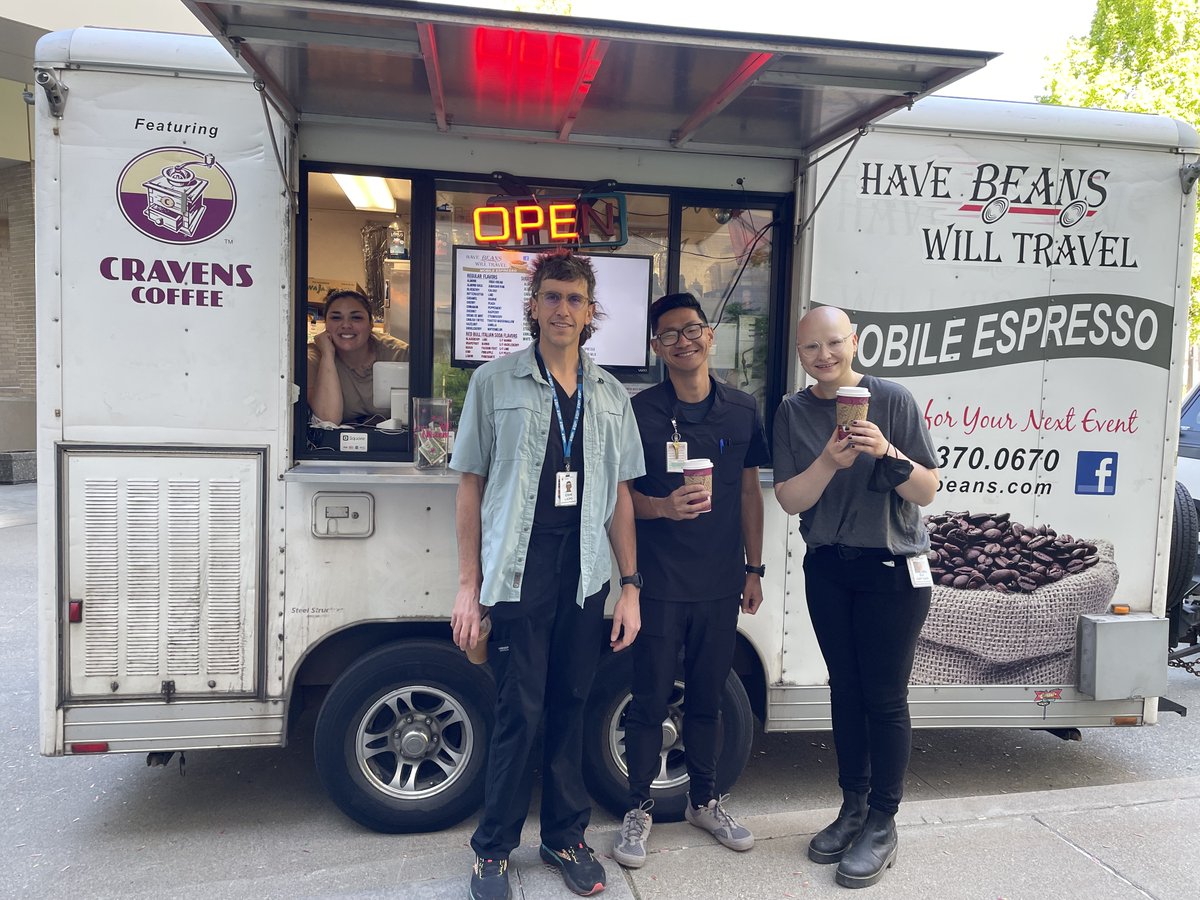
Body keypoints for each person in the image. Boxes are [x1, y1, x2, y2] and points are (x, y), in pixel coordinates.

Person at [450, 251, 645, 900]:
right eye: (552, 297)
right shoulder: (493, 384)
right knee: (518, 711)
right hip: (519, 572)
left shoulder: (613, 395)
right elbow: (470, 489)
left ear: (592, 313)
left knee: (569, 707)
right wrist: (467, 587)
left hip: (585, 577)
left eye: (576, 299)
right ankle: (492, 850)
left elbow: (620, 497)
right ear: (532, 305)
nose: (563, 309)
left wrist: (630, 587)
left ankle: (565, 836)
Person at [772, 306, 939, 890]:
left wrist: (886, 452)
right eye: (811, 348)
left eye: (834, 343)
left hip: (891, 571)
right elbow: (791, 501)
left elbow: (928, 489)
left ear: (856, 342)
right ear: (800, 354)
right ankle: (852, 807)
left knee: (885, 699)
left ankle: (883, 821)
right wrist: (828, 460)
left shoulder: (892, 399)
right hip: (829, 569)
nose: (824, 356)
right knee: (845, 691)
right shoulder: (793, 412)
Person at [611, 292, 769, 871]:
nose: (684, 340)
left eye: (693, 329)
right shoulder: (639, 410)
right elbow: (622, 496)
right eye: (670, 333)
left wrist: (754, 568)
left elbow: (751, 491)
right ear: (656, 346)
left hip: (720, 581)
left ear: (710, 335)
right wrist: (663, 509)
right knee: (648, 700)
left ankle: (704, 800)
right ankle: (639, 808)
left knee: (707, 699)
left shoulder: (742, 409)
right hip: (656, 582)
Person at [306, 288, 408, 425]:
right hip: (335, 444)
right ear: (325, 324)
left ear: (370, 324)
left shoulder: (400, 354)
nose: (346, 325)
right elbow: (328, 420)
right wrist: (327, 355)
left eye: (356, 317)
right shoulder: (313, 357)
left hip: (393, 443)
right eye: (336, 317)